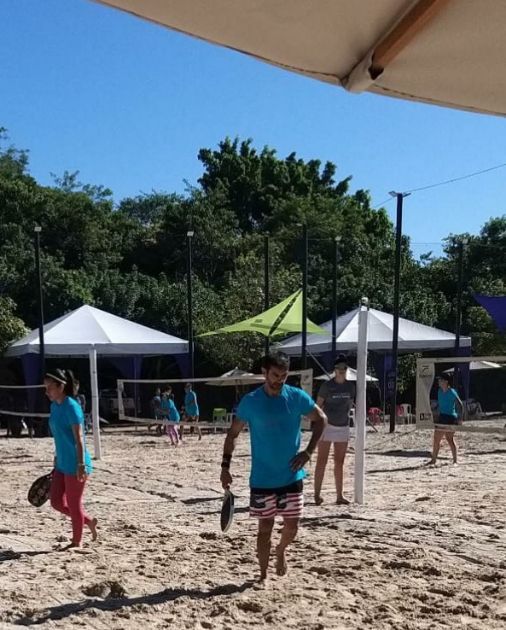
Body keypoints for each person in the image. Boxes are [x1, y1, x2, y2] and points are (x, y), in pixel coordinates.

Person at [220, 351, 326, 581]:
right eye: (275, 375)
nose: (280, 380)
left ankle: (281, 550)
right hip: (262, 479)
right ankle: (262, 576)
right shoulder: (251, 402)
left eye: (284, 375)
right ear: (264, 372)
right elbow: (232, 434)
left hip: (291, 475)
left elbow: (321, 420)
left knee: (292, 526)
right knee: (265, 527)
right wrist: (225, 467)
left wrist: (308, 452)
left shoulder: (296, 397)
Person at [44, 369, 97, 549]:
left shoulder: (72, 407)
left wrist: (81, 464)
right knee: (56, 502)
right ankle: (88, 521)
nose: (47, 391)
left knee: (74, 504)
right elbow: (59, 436)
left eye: (50, 387)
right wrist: (56, 458)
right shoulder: (54, 406)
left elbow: (79, 438)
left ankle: (76, 541)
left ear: (61, 386)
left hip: (76, 462)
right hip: (61, 462)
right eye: (45, 387)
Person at [314, 355, 356, 506]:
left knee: (339, 461)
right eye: (339, 368)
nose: (341, 370)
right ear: (335, 370)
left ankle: (339, 495)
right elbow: (318, 405)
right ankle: (317, 494)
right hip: (327, 425)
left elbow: (350, 404)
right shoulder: (327, 386)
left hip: (343, 425)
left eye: (344, 368)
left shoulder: (350, 387)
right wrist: (318, 424)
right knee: (322, 460)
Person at [429, 374, 464, 465]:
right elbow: (441, 406)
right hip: (442, 417)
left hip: (450, 417)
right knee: (443, 439)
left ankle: (437, 460)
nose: (439, 382)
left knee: (443, 438)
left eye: (440, 380)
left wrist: (460, 419)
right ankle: (437, 460)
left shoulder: (451, 392)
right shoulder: (439, 391)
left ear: (446, 381)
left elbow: (460, 405)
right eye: (439, 380)